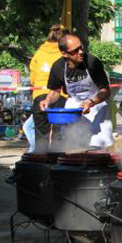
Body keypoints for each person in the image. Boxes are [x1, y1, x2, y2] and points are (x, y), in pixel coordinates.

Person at [41, 34, 113, 149]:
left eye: (81, 48)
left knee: (97, 149)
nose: (80, 52)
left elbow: (106, 91)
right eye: (75, 51)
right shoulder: (58, 67)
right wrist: (48, 100)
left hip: (96, 107)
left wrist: (91, 102)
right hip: (73, 109)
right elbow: (55, 91)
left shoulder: (92, 62)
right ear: (64, 54)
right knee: (72, 147)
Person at [29, 24, 69, 152]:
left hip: (39, 96)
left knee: (41, 135)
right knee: (59, 132)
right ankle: (57, 164)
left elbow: (33, 77)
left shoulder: (39, 53)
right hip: (60, 95)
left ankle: (40, 163)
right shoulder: (64, 53)